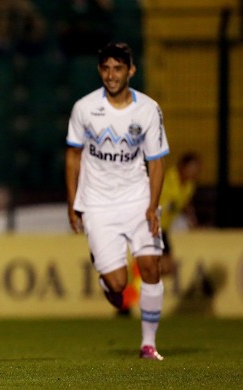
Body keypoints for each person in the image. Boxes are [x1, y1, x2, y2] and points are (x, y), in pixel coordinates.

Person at [65, 42, 169, 360]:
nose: (111, 75)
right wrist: (72, 204)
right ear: (100, 71)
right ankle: (107, 279)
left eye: (118, 68)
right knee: (119, 285)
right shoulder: (84, 108)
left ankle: (148, 345)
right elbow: (73, 156)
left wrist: (152, 205)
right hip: (97, 202)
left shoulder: (148, 109)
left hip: (137, 199)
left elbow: (157, 161)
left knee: (151, 267)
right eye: (106, 68)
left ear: (130, 71)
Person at [159, 152, 201, 276]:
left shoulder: (189, 185)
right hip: (152, 228)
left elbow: (185, 204)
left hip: (165, 228)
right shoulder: (166, 180)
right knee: (164, 266)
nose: (195, 173)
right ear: (183, 167)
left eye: (197, 170)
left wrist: (193, 221)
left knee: (168, 267)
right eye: (193, 168)